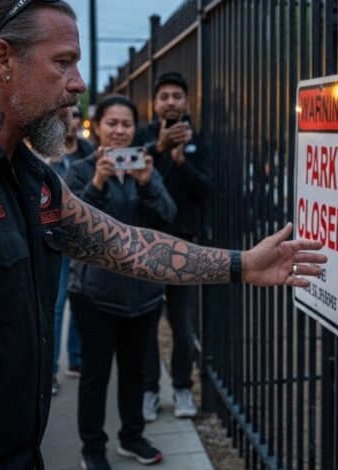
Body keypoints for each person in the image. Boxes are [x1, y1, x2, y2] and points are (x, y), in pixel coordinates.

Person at [0, 1, 325, 468]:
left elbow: (126, 244)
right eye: (63, 62)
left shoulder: (27, 173)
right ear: (2, 59)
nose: (78, 82)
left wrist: (243, 264)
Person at [65, 94, 177, 467]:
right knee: (95, 375)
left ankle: (133, 437)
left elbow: (167, 216)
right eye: (111, 123)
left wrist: (146, 183)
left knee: (135, 371)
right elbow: (73, 230)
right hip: (95, 294)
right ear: (97, 128)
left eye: (126, 124)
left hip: (144, 294)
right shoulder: (80, 170)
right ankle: (92, 449)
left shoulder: (145, 167)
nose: (119, 130)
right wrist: (98, 182)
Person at [140, 71, 212, 422]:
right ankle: (149, 390)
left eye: (176, 96)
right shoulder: (143, 137)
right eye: (164, 96)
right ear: (155, 103)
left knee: (183, 326)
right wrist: (159, 148)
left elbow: (206, 189)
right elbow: (132, 180)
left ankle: (183, 387)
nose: (170, 102)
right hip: (144, 244)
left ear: (186, 100)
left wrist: (182, 162)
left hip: (184, 245)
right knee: (146, 324)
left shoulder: (199, 139)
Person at [50, 104, 92, 396]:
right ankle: (50, 370)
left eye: (77, 114)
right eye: (66, 112)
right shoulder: (44, 149)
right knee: (56, 305)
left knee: (80, 300)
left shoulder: (90, 152)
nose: (71, 119)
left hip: (83, 238)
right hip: (55, 238)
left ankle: (76, 359)